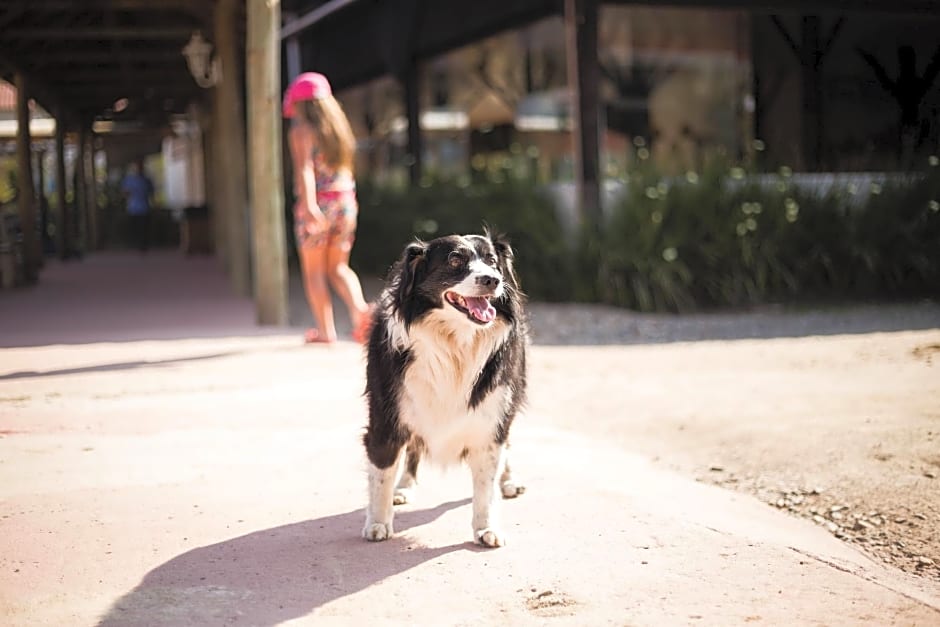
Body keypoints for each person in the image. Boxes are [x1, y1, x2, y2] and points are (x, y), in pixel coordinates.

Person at [283, 72, 373, 344]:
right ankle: (362, 315)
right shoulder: (340, 132)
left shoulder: (301, 131)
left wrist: (309, 206)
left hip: (319, 204)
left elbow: (304, 170)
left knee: (314, 272)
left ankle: (325, 331)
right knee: (339, 268)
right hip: (345, 203)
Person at [121, 160, 155, 252]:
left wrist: (153, 203)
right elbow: (124, 193)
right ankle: (136, 244)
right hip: (133, 208)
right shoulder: (129, 180)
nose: (139, 169)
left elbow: (151, 193)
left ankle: (143, 245)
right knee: (135, 228)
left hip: (144, 207)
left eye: (140, 167)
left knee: (144, 228)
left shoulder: (146, 180)